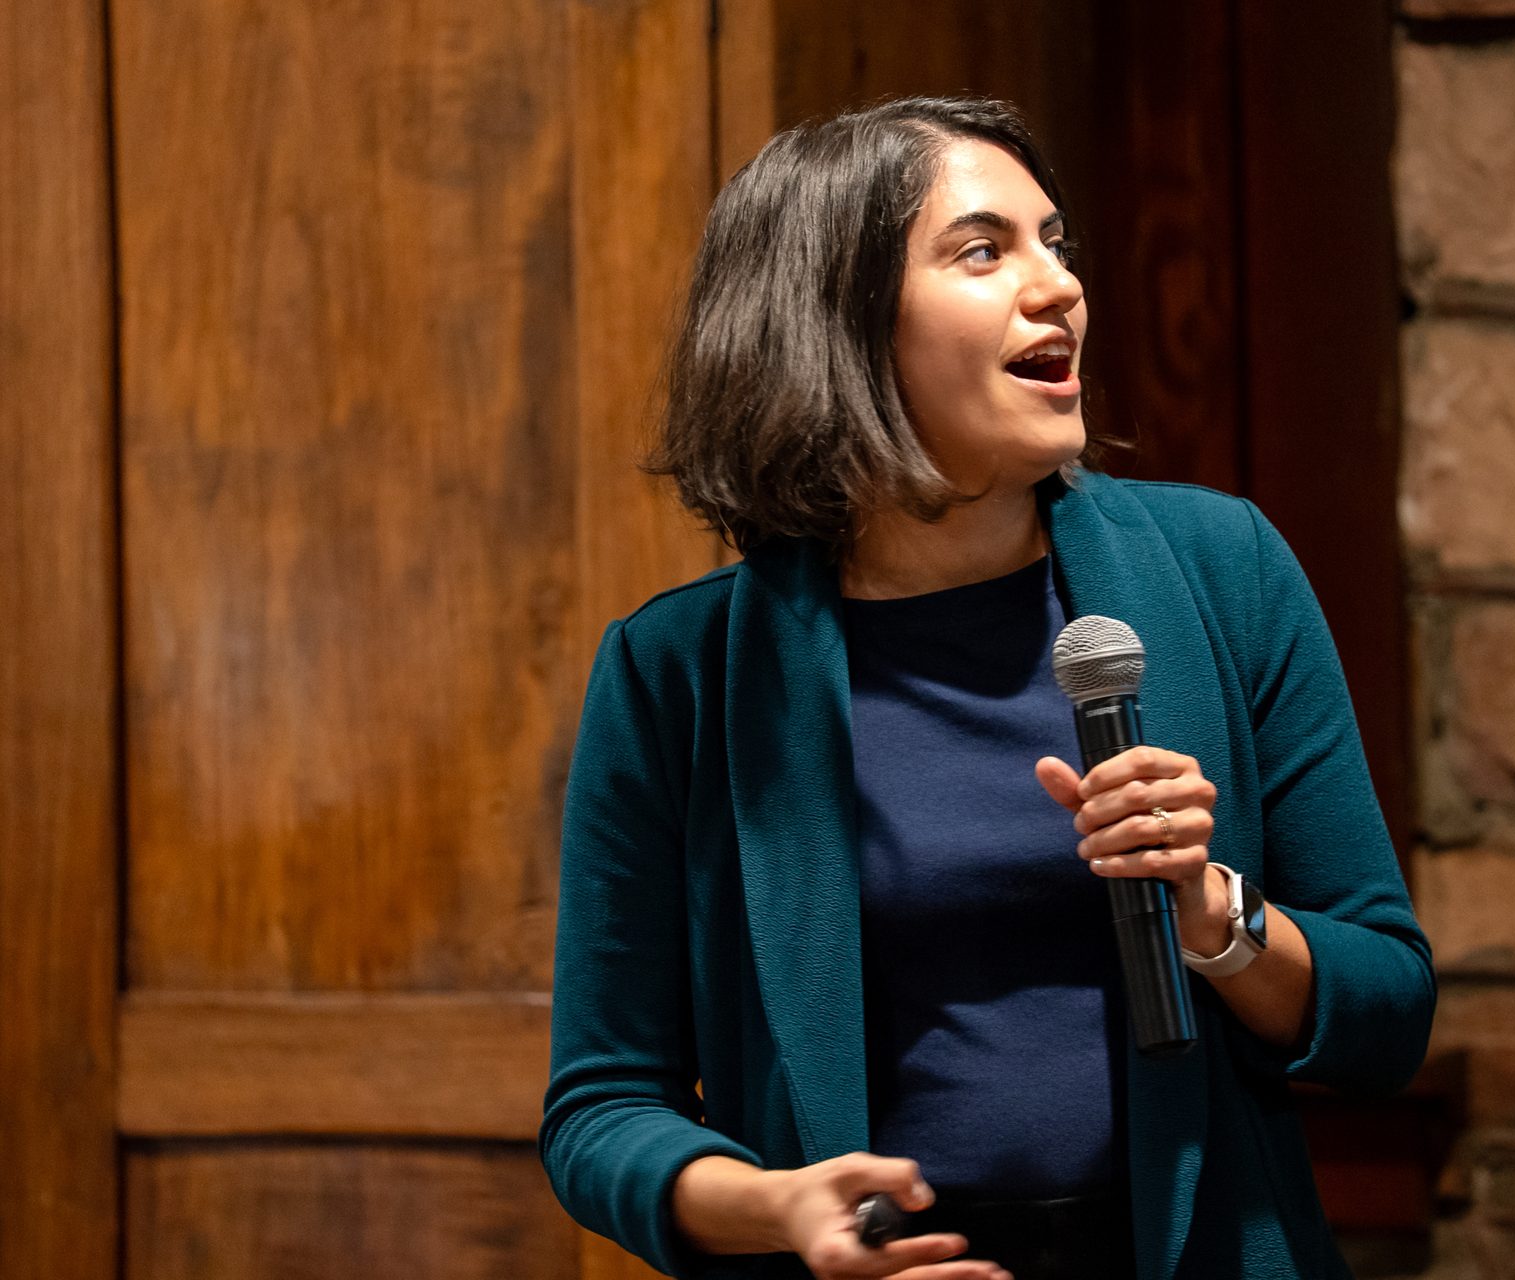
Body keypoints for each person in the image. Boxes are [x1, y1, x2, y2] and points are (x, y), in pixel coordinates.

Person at [540, 95, 1435, 1280]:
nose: (1057, 284)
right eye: (983, 249)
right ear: (838, 327)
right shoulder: (679, 676)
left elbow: (1389, 1010)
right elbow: (602, 1107)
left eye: (1054, 241)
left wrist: (1218, 917)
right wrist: (782, 1209)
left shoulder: (1225, 571)